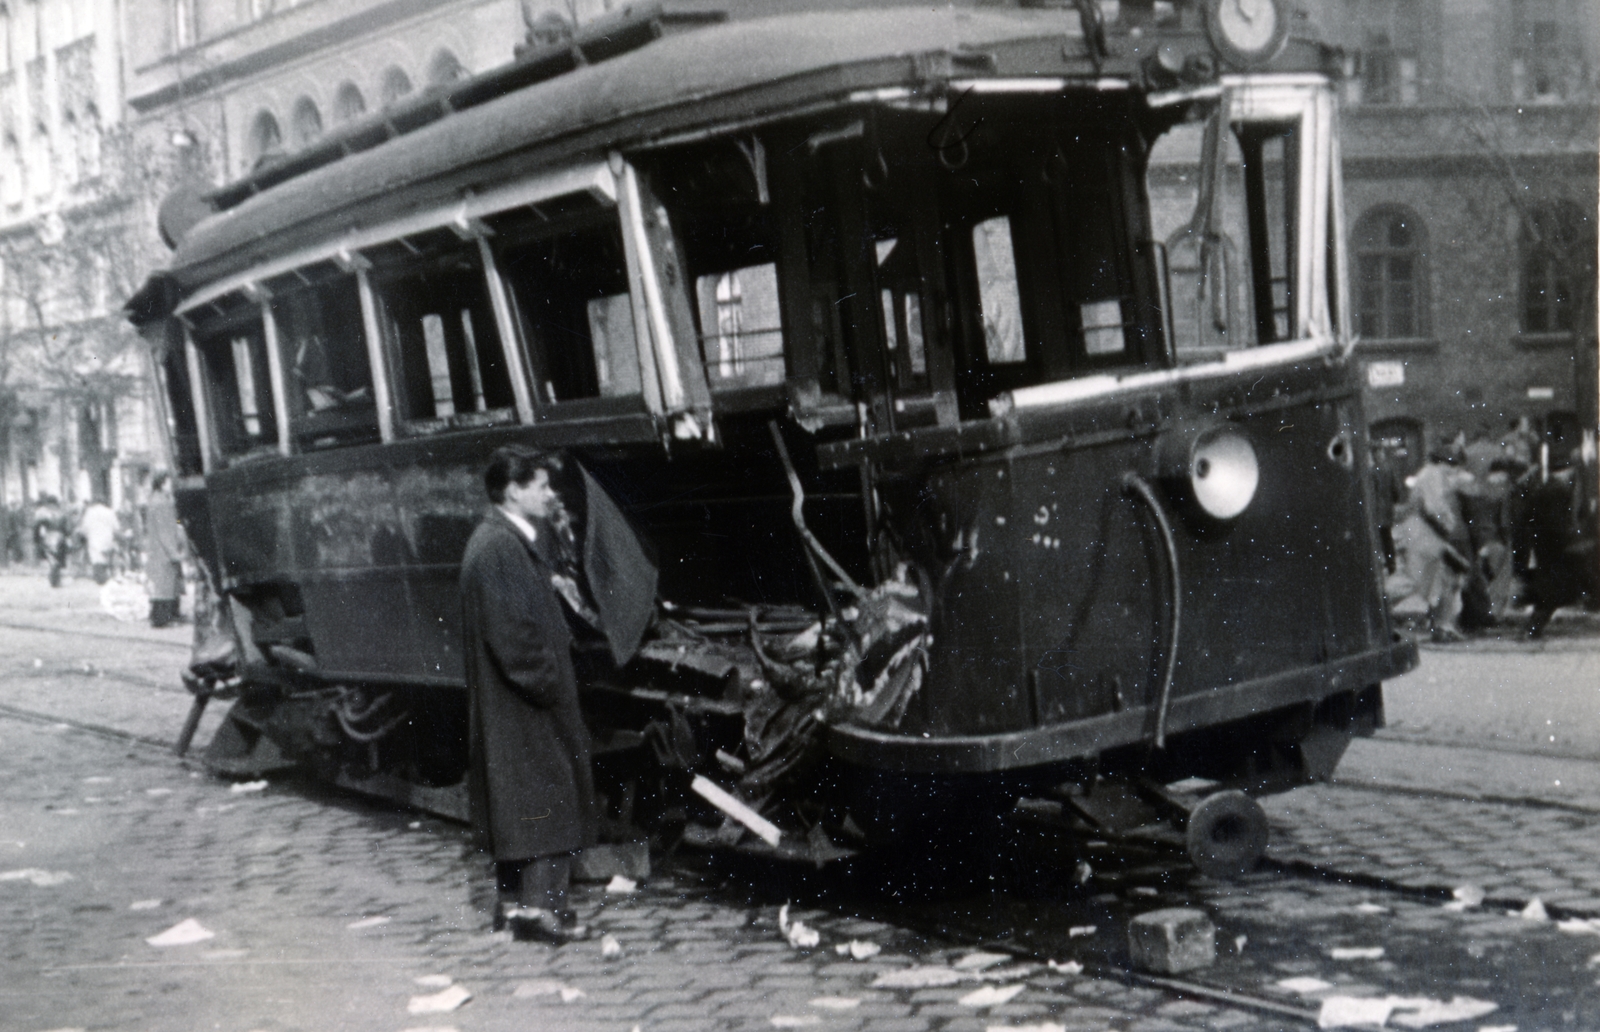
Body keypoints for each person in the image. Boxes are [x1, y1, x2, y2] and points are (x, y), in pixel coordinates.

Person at [459, 446, 597, 944]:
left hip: (510, 705)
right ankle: (542, 913)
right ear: (513, 491)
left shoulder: (498, 541)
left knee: (519, 806)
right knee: (547, 800)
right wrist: (554, 686)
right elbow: (515, 638)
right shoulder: (500, 547)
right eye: (540, 485)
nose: (549, 494)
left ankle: (515, 909)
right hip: (526, 705)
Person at [1395, 438, 1473, 642]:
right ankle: (1376, 609)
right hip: (1425, 533)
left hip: (1426, 533)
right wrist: (1448, 526)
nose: (1453, 470)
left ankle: (1443, 625)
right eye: (1452, 464)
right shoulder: (1433, 474)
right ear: (1443, 462)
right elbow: (1434, 507)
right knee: (1414, 580)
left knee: (1445, 578)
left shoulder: (1430, 473)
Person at [145, 472, 186, 627]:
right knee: (165, 586)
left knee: (164, 585)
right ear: (163, 484)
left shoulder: (154, 500)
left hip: (157, 550)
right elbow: (165, 530)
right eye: (170, 482)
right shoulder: (163, 503)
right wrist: (174, 553)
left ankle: (165, 616)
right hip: (164, 551)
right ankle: (163, 619)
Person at [78, 497, 119, 585]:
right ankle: (107, 575)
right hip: (107, 539)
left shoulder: (89, 512)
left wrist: (84, 535)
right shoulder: (110, 512)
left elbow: (85, 527)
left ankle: (101, 578)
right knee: (106, 557)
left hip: (94, 539)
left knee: (96, 559)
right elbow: (116, 527)